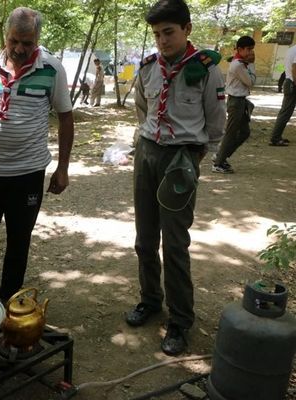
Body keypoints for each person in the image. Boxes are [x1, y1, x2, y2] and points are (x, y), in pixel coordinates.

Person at [127, 0, 226, 356]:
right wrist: (147, 140)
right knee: (144, 238)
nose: (162, 41)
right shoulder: (149, 67)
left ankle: (181, 320)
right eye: (156, 34)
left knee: (175, 243)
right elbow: (143, 107)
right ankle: (150, 300)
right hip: (148, 152)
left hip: (181, 158)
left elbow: (216, 120)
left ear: (187, 29)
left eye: (168, 32)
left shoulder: (206, 68)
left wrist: (196, 154)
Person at [0, 7, 74, 303]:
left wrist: (63, 169)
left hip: (28, 175)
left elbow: (66, 118)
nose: (19, 49)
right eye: (14, 41)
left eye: (27, 43)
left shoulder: (52, 68)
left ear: (37, 39)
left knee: (19, 240)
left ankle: (7, 302)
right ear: (6, 36)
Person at [212, 36, 256, 174]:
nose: (251, 52)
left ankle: (220, 155)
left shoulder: (241, 62)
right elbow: (251, 82)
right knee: (231, 133)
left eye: (252, 49)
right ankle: (218, 163)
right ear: (240, 49)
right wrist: (252, 64)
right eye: (248, 49)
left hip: (240, 101)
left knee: (244, 132)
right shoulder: (238, 64)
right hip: (236, 101)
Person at [269, 44, 296, 146]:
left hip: (290, 82)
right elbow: (295, 68)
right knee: (285, 113)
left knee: (285, 112)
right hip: (293, 83)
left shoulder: (292, 49)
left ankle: (276, 136)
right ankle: (275, 138)